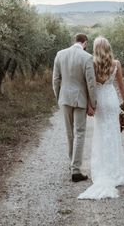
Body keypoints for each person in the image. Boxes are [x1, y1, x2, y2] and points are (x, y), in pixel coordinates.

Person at [78, 36, 124, 200]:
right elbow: (121, 85)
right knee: (114, 134)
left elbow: (89, 86)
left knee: (101, 134)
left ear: (95, 49)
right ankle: (115, 169)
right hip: (111, 99)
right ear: (108, 48)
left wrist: (90, 104)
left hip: (99, 101)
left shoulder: (92, 64)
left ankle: (102, 170)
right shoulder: (116, 64)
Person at [53, 33, 98, 182]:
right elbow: (91, 82)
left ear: (74, 41)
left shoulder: (60, 54)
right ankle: (76, 170)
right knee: (79, 133)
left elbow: (55, 79)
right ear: (85, 43)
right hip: (80, 99)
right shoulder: (87, 57)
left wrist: (59, 96)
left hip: (65, 98)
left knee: (69, 133)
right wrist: (93, 103)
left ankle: (73, 164)